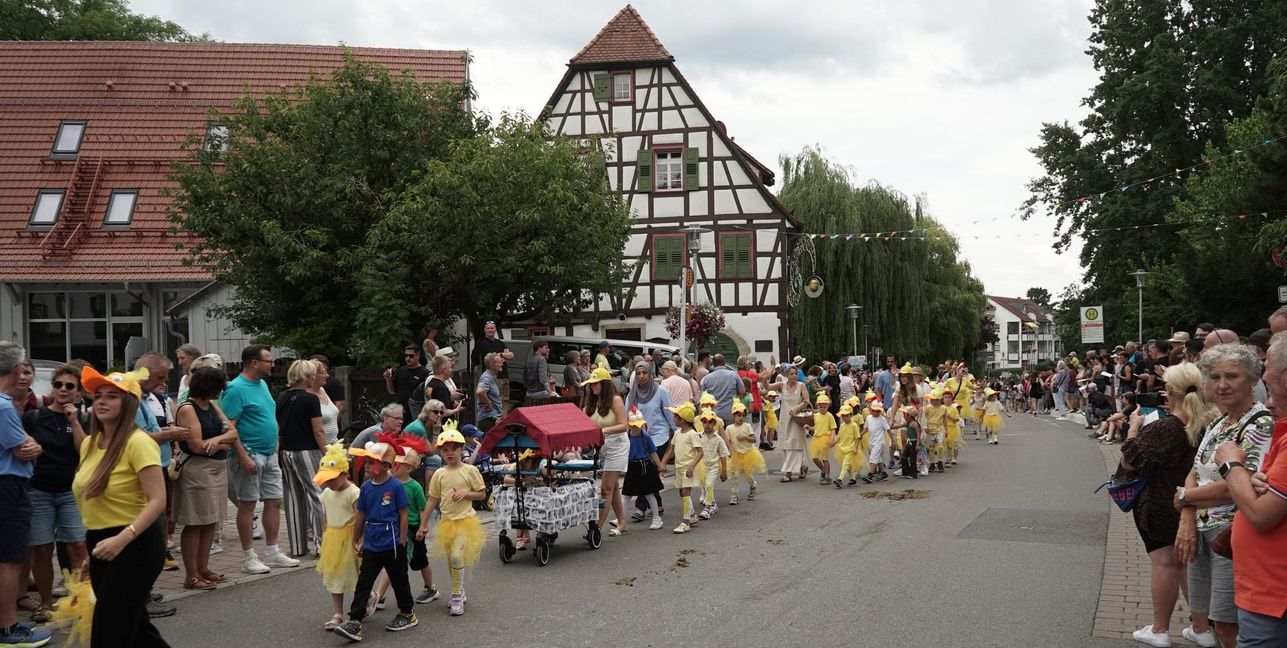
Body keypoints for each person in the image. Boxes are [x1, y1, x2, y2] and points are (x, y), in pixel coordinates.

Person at [1174, 344, 1274, 648]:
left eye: (1232, 376)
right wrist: (1187, 516)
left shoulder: (1260, 422)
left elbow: (1239, 482)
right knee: (1215, 621)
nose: (1222, 384)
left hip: (1232, 532)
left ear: (1253, 380)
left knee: (1230, 622)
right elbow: (1195, 468)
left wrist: (1186, 499)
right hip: (1205, 527)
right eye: (1214, 377)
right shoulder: (1219, 421)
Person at [1115, 363, 1212, 648]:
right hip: (1191, 501)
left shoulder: (1166, 427)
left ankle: (1159, 629)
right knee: (1186, 564)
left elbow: (1129, 461)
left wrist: (1133, 429)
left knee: (1165, 563)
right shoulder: (1207, 423)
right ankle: (1201, 626)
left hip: (1159, 502)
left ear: (1169, 390)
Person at [72, 365, 169, 648]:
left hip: (136, 542)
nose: (101, 401)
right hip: (101, 542)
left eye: (112, 396)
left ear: (129, 404)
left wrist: (122, 538)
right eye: (98, 395)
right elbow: (92, 500)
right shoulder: (90, 443)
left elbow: (158, 500)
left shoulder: (139, 443)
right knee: (136, 629)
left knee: (109, 633)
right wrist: (94, 549)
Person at [1214, 331, 1287, 647]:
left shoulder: (1265, 423)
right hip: (1265, 590)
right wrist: (1252, 479)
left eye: (1265, 366)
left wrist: (1231, 466)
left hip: (1274, 595)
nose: (1263, 373)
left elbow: (1260, 514)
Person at [21, 364, 87, 623]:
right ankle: (46, 602)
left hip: (71, 490)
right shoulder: (35, 417)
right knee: (41, 549)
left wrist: (73, 420)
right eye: (59, 385)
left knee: (78, 547)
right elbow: (23, 448)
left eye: (69, 386)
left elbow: (85, 451)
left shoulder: (83, 418)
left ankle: (79, 600)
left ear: (78, 391)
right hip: (39, 490)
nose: (63, 390)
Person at [224, 345, 297, 574]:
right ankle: (248, 557)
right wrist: (243, 456)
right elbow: (229, 427)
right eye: (268, 360)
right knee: (248, 504)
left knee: (274, 500)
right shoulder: (235, 389)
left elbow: (268, 414)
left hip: (268, 452)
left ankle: (272, 551)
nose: (272, 364)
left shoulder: (262, 384)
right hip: (249, 453)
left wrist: (275, 441)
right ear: (254, 363)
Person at [333, 441, 417, 641]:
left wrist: (403, 541)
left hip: (393, 544)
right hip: (371, 543)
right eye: (367, 461)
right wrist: (357, 538)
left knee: (399, 581)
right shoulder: (366, 487)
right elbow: (361, 514)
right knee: (364, 583)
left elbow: (403, 514)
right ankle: (355, 621)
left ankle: (407, 613)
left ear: (387, 466)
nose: (367, 465)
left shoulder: (395, 486)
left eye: (371, 462)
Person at [0, 343, 52, 647]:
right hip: (9, 486)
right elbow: (24, 449)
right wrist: (37, 445)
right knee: (9, 560)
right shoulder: (5, 406)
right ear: (18, 369)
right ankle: (7, 627)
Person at [172, 366, 237, 590]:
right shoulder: (188, 409)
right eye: (218, 387)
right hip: (197, 471)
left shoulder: (211, 406)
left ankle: (203, 568)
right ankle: (191, 575)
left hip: (216, 468)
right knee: (195, 522)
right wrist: (222, 442)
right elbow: (198, 446)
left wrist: (217, 441)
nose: (220, 391)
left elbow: (233, 433)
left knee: (211, 520)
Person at [416, 424, 485, 617]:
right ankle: (459, 589)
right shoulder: (439, 474)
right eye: (445, 450)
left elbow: (481, 494)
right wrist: (423, 524)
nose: (449, 453)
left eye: (454, 449)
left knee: (456, 556)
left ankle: (455, 595)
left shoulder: (470, 470)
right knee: (451, 560)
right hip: (447, 522)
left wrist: (466, 493)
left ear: (462, 449)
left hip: (465, 522)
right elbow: (433, 499)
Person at [276, 359, 326, 557]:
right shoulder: (310, 399)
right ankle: (322, 545)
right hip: (307, 451)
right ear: (305, 377)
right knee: (317, 496)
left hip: (286, 452)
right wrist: (328, 453)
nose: (314, 377)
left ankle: (297, 547)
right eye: (312, 374)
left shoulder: (281, 397)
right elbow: (319, 431)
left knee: (293, 499)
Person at [313, 443, 360, 632]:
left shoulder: (354, 493)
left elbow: (360, 518)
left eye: (332, 479)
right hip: (333, 537)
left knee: (357, 574)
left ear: (344, 474)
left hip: (351, 537)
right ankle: (338, 613)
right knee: (334, 576)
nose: (328, 483)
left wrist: (360, 539)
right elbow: (325, 516)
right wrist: (325, 536)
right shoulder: (326, 493)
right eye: (325, 480)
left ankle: (364, 601)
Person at [582, 367, 629, 535]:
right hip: (601, 447)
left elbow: (624, 425)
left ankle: (597, 528)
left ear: (605, 384)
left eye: (596, 384)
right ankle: (622, 522)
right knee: (613, 487)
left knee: (605, 488)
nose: (593, 387)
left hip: (617, 445)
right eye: (591, 384)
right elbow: (583, 422)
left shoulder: (615, 400)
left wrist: (603, 431)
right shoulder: (591, 402)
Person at [625, 361, 672, 523]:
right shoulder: (632, 394)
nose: (641, 376)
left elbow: (669, 415)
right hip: (639, 439)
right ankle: (657, 504)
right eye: (638, 374)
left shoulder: (661, 392)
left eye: (644, 373)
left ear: (651, 374)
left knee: (646, 472)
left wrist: (679, 434)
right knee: (650, 473)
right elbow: (627, 417)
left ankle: (641, 507)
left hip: (659, 437)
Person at [659, 402, 702, 534]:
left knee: (685, 493)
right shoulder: (677, 433)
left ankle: (686, 522)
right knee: (681, 493)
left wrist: (692, 465)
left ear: (682, 419)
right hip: (679, 467)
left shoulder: (692, 434)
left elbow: (700, 451)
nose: (673, 419)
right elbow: (671, 449)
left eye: (675, 417)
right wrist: (663, 463)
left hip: (687, 468)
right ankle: (692, 515)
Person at [622, 407, 665, 530]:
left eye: (638, 425)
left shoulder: (645, 436)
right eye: (633, 425)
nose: (636, 427)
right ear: (629, 425)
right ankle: (621, 518)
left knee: (649, 493)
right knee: (626, 494)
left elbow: (653, 452)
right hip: (632, 466)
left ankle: (656, 518)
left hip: (645, 466)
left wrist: (659, 464)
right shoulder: (627, 437)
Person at [766, 366, 810, 482]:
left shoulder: (801, 385)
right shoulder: (782, 385)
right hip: (785, 418)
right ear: (786, 375)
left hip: (797, 419)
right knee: (786, 446)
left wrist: (797, 408)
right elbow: (766, 387)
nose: (794, 376)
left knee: (795, 445)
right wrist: (769, 371)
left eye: (795, 373)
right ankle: (802, 465)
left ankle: (788, 472)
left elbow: (807, 401)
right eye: (791, 374)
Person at [725, 401, 765, 499]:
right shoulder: (729, 428)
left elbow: (754, 439)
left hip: (747, 453)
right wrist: (728, 451)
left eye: (743, 415)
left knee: (747, 474)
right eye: (738, 415)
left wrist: (745, 437)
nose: (741, 418)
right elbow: (727, 441)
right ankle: (734, 495)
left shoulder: (747, 426)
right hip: (735, 453)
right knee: (735, 475)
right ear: (733, 416)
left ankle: (753, 484)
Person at [694, 410, 729, 520]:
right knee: (706, 486)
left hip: (713, 466)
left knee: (709, 484)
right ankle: (713, 503)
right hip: (701, 466)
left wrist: (724, 471)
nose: (707, 425)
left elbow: (723, 455)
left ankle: (707, 508)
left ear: (714, 423)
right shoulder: (698, 436)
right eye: (704, 422)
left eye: (710, 422)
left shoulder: (718, 439)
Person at [386, 345, 429, 428]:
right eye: (406, 356)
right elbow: (392, 391)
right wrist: (388, 379)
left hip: (415, 412)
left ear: (418, 355)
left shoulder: (424, 373)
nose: (408, 358)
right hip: (400, 411)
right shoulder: (401, 371)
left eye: (411, 356)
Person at [804, 393, 836, 484]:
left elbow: (833, 428)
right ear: (817, 406)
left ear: (828, 406)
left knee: (825, 458)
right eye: (821, 407)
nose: (823, 408)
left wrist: (832, 438)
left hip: (825, 438)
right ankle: (823, 470)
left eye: (825, 407)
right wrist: (809, 428)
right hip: (816, 438)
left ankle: (827, 476)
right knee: (814, 457)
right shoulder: (816, 415)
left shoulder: (829, 416)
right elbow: (816, 427)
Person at [309, 360, 340, 446]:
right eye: (323, 373)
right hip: (318, 448)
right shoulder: (306, 396)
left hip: (334, 445)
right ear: (313, 375)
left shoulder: (322, 390)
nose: (327, 375)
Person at [474, 353, 504, 432]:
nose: (502, 364)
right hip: (489, 420)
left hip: (492, 419)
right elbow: (479, 391)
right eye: (499, 362)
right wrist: (488, 403)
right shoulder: (487, 377)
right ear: (491, 364)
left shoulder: (492, 376)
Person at [833, 404, 862, 487]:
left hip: (851, 448)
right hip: (842, 448)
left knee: (845, 464)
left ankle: (840, 479)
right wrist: (833, 442)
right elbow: (839, 437)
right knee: (847, 465)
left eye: (846, 415)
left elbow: (857, 437)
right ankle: (853, 479)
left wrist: (856, 447)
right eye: (843, 415)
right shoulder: (842, 426)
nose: (844, 417)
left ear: (851, 415)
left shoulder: (854, 425)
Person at [862, 400, 890, 483]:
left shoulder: (882, 419)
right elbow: (866, 428)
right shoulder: (868, 418)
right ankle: (884, 473)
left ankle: (870, 474)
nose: (875, 413)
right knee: (878, 458)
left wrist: (893, 439)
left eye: (878, 411)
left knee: (873, 457)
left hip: (879, 442)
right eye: (873, 410)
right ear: (870, 409)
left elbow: (888, 429)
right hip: (871, 441)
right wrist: (860, 435)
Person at [523, 340, 557, 404]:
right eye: (546, 348)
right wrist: (550, 393)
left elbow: (524, 378)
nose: (548, 349)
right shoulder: (541, 359)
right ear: (539, 348)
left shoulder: (528, 360)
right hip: (541, 392)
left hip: (529, 392)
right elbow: (543, 379)